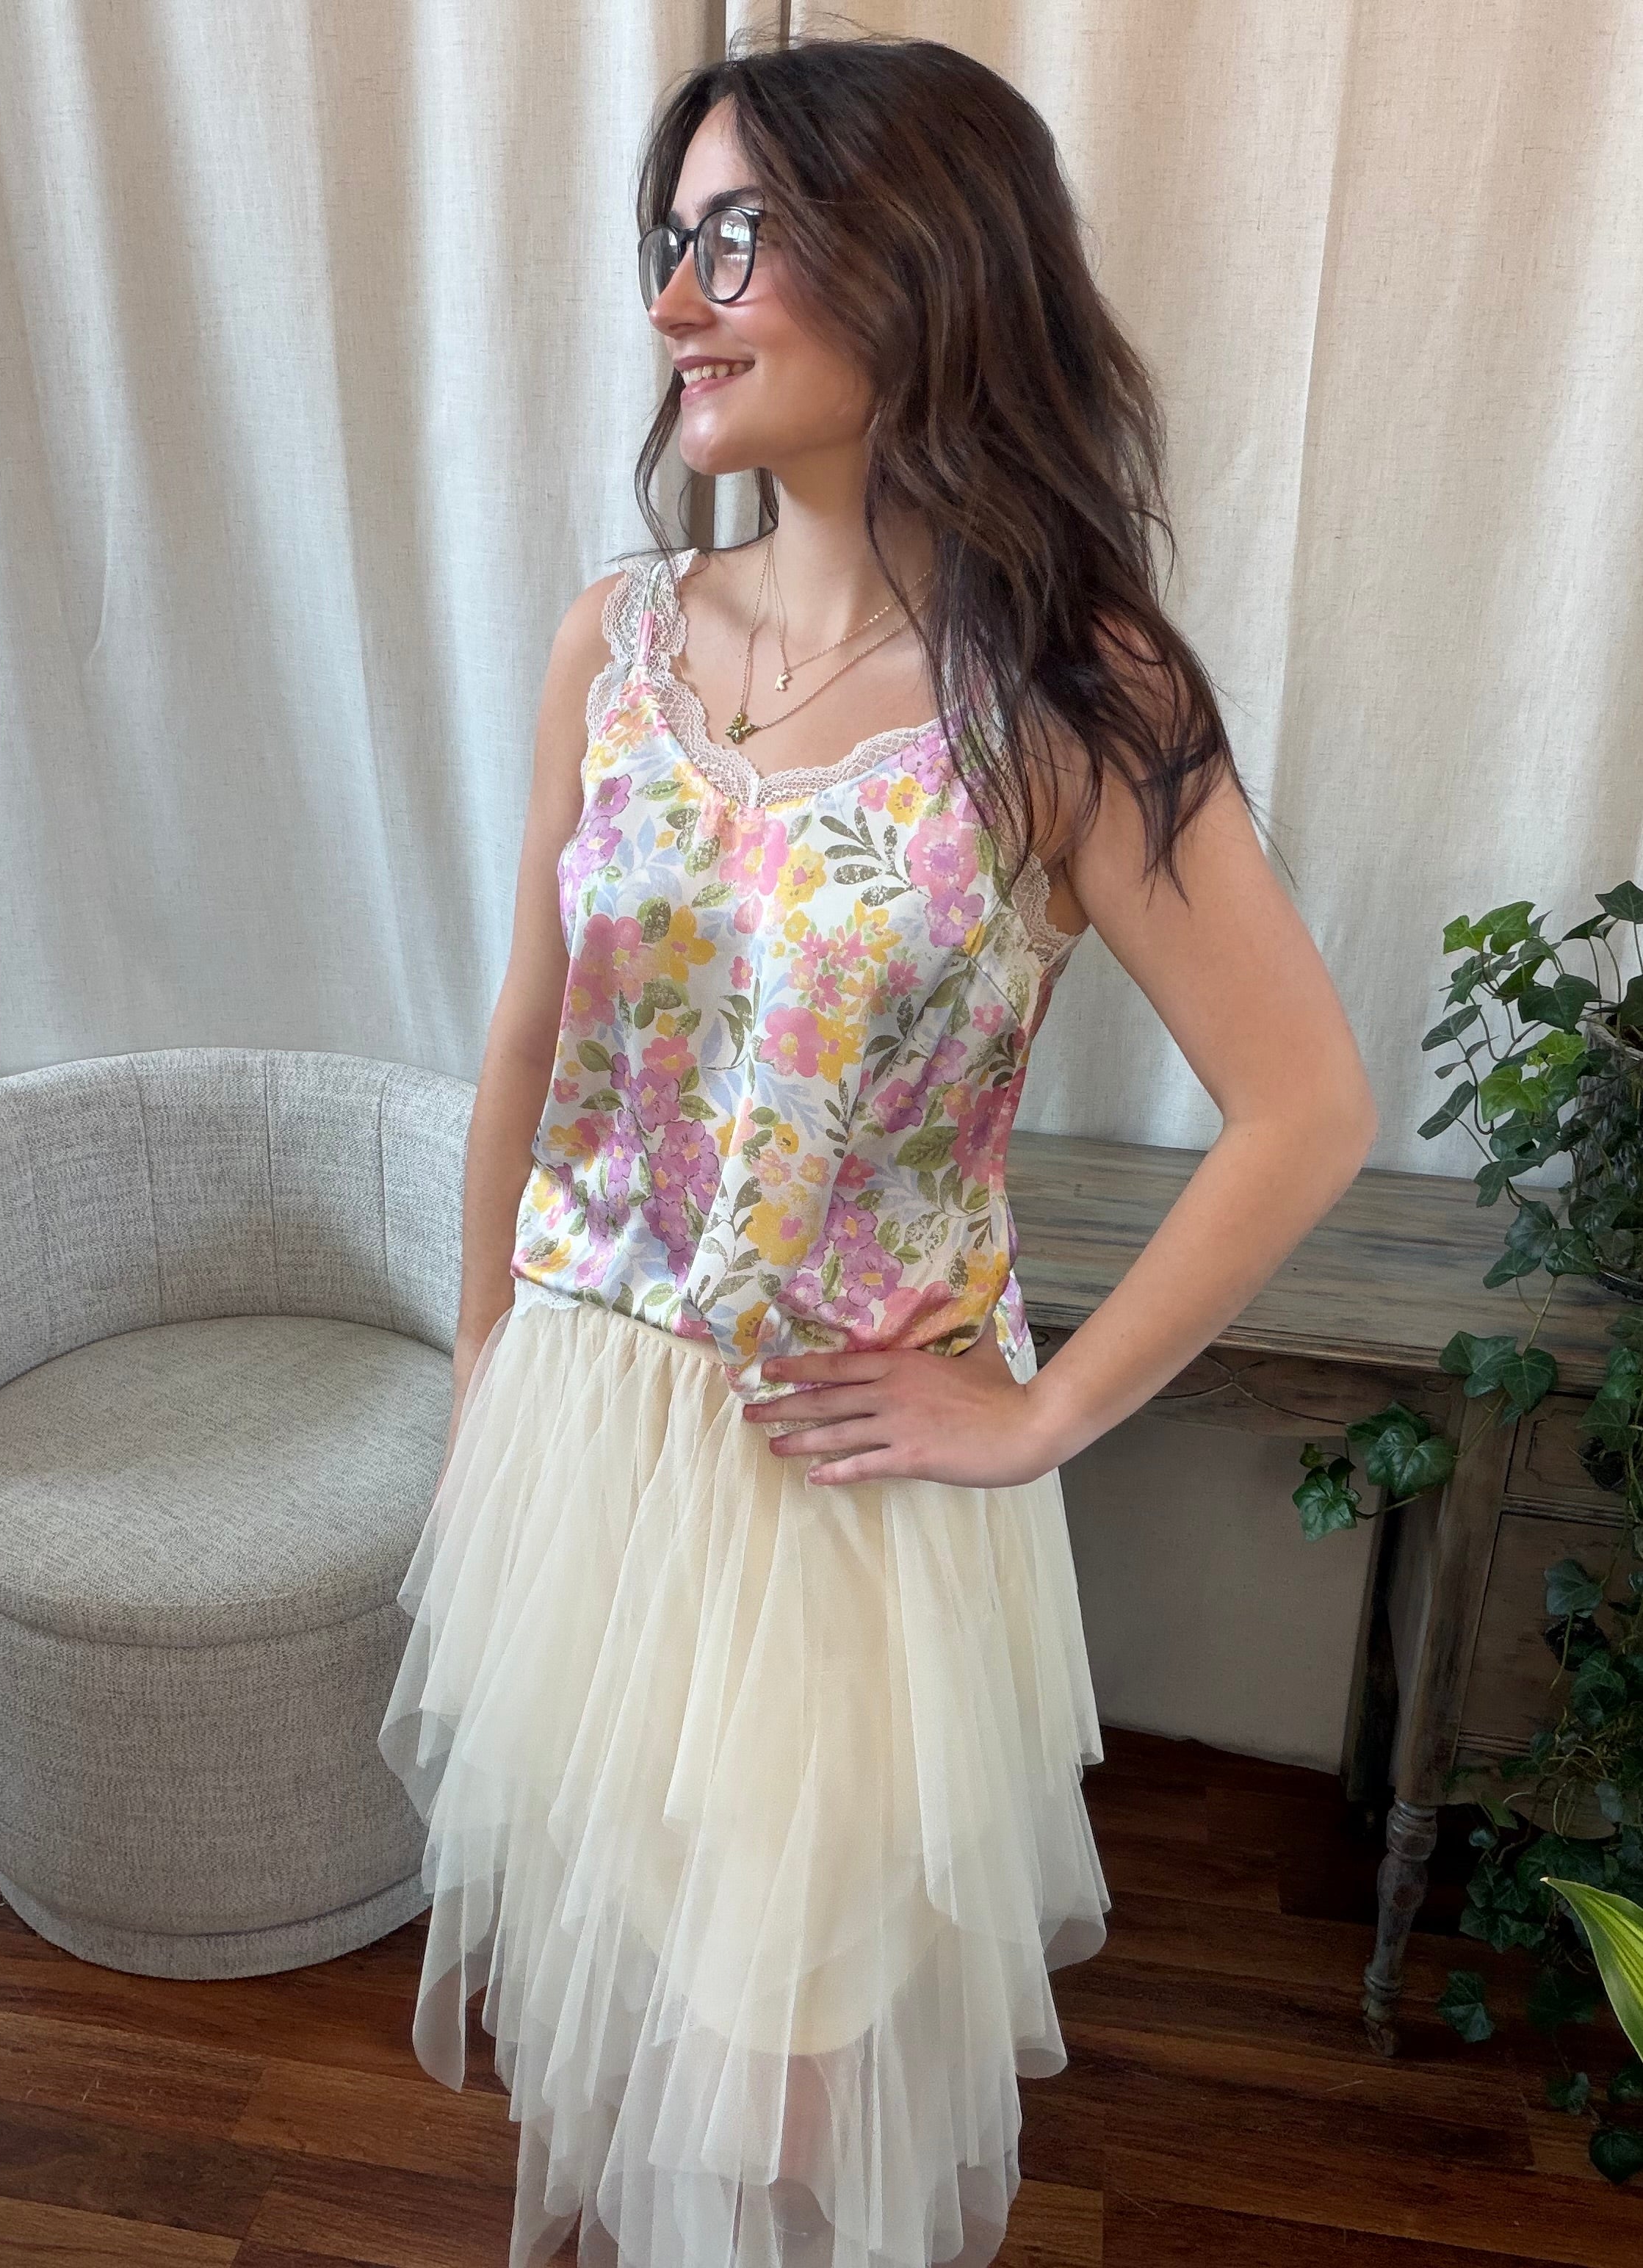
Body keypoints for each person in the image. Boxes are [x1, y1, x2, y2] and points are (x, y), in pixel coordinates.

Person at [378, 28, 1378, 2268]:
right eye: (669, 239)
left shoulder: (1065, 691)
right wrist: (474, 1374)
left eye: (737, 235)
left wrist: (1038, 1416)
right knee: (625, 1964)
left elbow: (1307, 1104)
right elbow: (532, 1031)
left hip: (829, 1475)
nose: (673, 298)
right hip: (577, 1422)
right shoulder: (616, 642)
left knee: (791, 2066)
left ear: (923, 256)